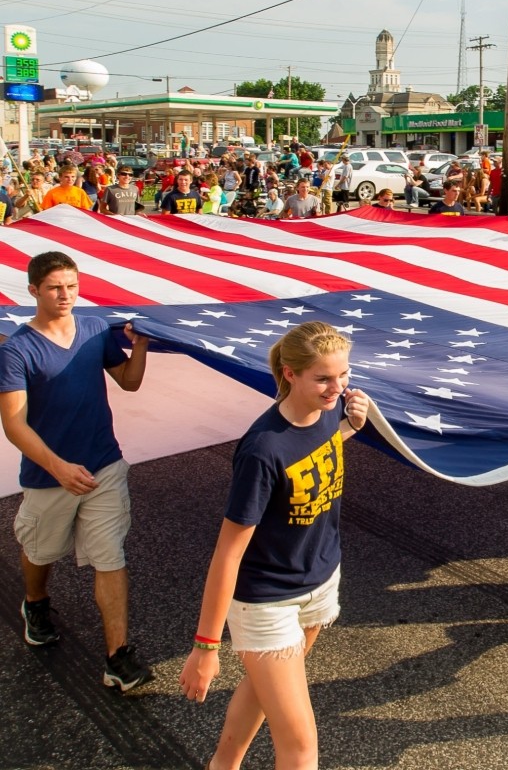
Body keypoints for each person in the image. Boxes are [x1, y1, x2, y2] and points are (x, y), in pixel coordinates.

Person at [178, 321, 369, 770]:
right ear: (290, 374)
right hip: (267, 602)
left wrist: (350, 427)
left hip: (319, 583)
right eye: (323, 378)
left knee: (264, 691)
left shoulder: (326, 414)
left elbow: (311, 456)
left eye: (343, 375)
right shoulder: (261, 450)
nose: (336, 387)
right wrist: (205, 647)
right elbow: (228, 552)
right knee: (301, 748)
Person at [0, 251, 153, 691]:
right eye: (54, 287)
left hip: (104, 465)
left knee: (110, 556)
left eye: (71, 285)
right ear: (33, 291)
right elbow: (14, 423)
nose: (65, 294)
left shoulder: (94, 329)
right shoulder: (16, 351)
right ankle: (35, 602)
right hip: (50, 477)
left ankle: (118, 658)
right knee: (41, 551)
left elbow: (128, 380)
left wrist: (139, 346)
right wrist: (59, 467)